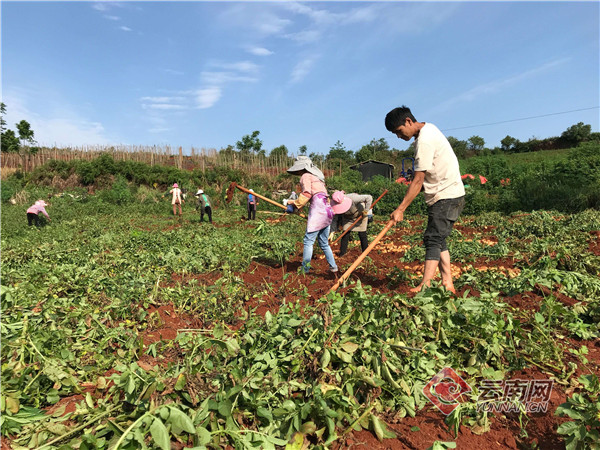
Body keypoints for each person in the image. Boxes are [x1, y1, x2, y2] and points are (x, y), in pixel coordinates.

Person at [385, 106, 465, 294]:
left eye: (398, 131)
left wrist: (401, 208)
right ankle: (447, 283)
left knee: (433, 239)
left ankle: (425, 284)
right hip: (448, 194)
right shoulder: (428, 130)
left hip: (445, 195)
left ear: (408, 121)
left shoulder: (425, 141)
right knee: (439, 240)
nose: (399, 136)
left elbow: (418, 179)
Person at [285, 156, 351, 274]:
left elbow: (306, 194)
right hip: (327, 210)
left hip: (318, 209)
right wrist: (297, 206)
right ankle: (333, 267)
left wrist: (294, 204)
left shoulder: (305, 176)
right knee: (323, 242)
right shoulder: (318, 179)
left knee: (308, 241)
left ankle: (305, 269)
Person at [331, 192, 373, 257]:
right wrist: (332, 231)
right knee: (345, 234)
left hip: (360, 215)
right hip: (348, 218)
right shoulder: (335, 205)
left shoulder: (353, 198)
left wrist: (366, 211)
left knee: (362, 234)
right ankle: (342, 254)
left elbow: (369, 197)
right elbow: (334, 218)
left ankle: (365, 255)